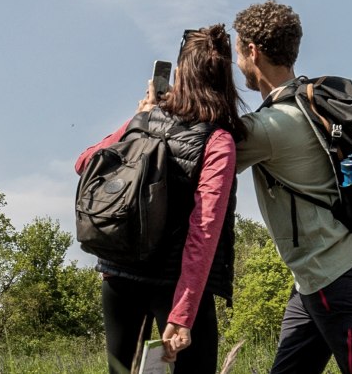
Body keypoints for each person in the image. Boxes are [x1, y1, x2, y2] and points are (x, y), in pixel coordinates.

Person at [231, 1, 352, 374]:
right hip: (328, 269)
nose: (237, 62)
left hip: (331, 272)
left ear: (253, 52)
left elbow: (205, 156)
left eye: (238, 53)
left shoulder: (268, 127)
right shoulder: (309, 103)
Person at [75, 25, 246, 373]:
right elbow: (204, 231)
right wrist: (183, 315)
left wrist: (140, 117)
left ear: (180, 73)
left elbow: (84, 162)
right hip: (175, 284)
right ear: (224, 80)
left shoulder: (145, 118)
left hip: (120, 274)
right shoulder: (218, 142)